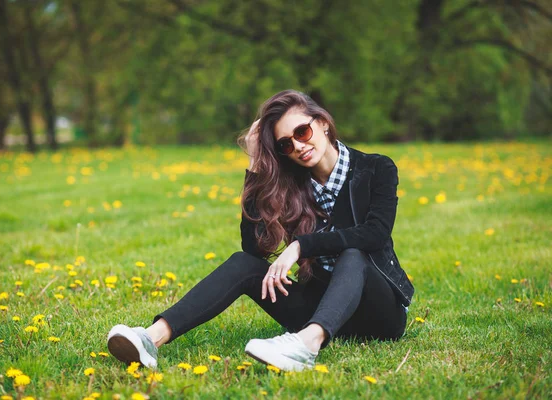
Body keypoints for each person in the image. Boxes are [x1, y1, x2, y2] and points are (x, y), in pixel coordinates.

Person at [106, 89, 414, 372]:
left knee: (354, 252)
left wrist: (300, 246)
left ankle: (306, 345)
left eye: (302, 131)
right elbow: (253, 250)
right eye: (285, 144)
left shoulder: (376, 168)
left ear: (322, 124)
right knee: (242, 264)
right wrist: (254, 164)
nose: (298, 146)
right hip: (318, 306)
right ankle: (151, 338)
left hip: (379, 313)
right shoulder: (294, 186)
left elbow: (375, 233)